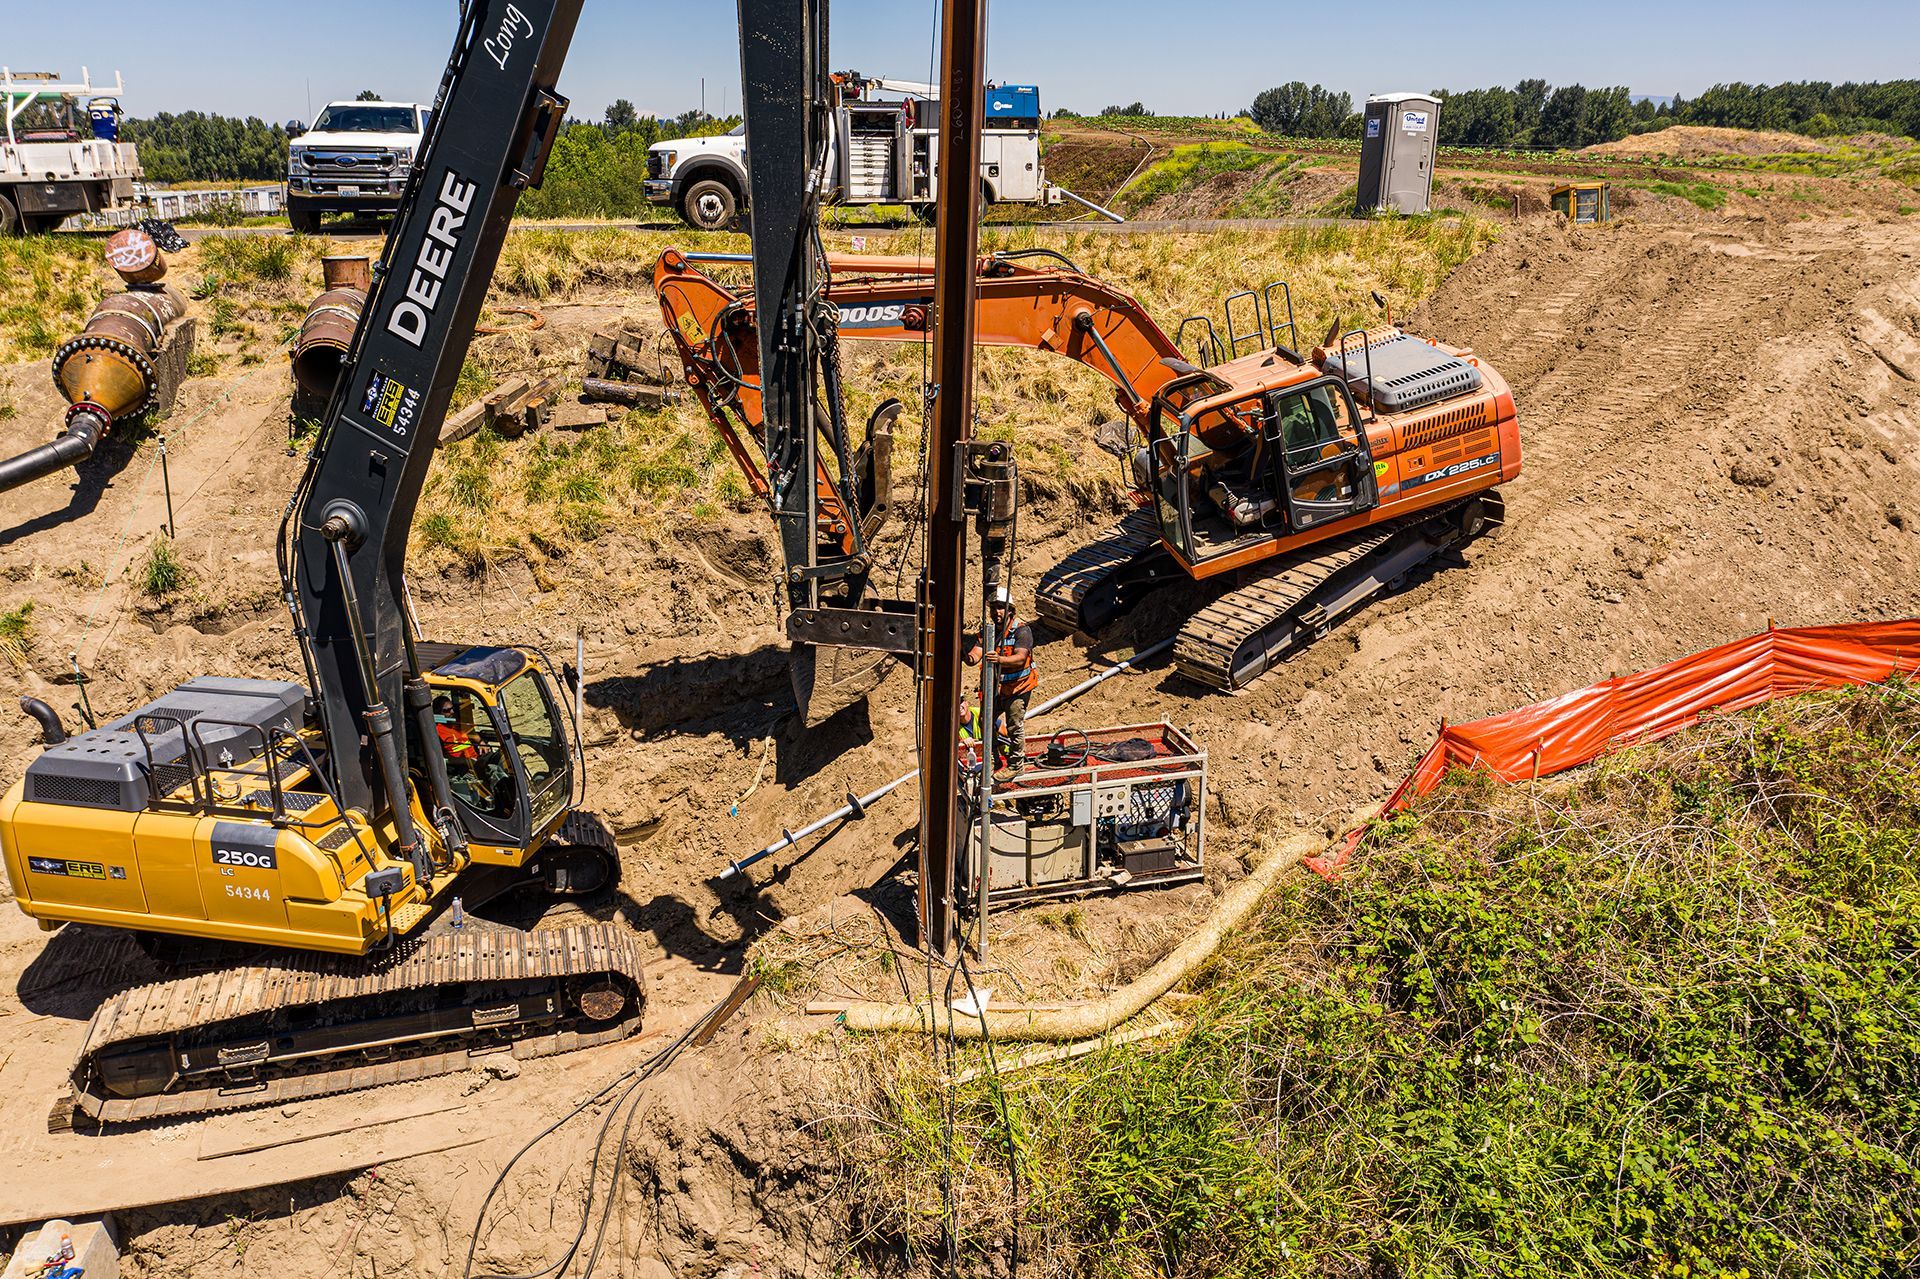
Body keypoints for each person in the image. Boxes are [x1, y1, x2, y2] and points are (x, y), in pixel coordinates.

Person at [965, 587, 1037, 780]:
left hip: (1018, 688)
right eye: (994, 608)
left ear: (1010, 610)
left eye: (1001, 608)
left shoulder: (1022, 630)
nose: (997, 612)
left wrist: (999, 660)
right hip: (998, 690)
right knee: (985, 721)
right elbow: (976, 654)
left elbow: (1020, 658)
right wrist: (966, 656)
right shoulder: (989, 632)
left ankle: (1016, 765)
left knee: (1014, 725)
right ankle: (993, 759)